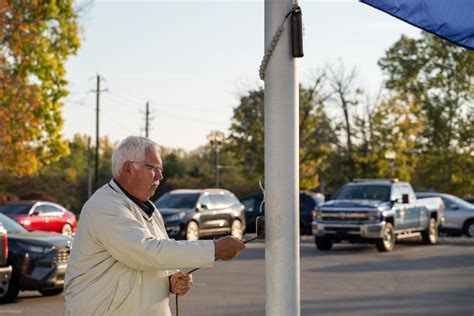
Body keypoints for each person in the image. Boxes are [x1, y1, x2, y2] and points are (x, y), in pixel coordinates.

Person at [64, 136, 245, 315]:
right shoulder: (104, 205)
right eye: (152, 168)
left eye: (160, 169)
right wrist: (214, 249)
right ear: (128, 169)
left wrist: (171, 279)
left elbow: (157, 256)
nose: (160, 176)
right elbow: (143, 251)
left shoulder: (148, 208)